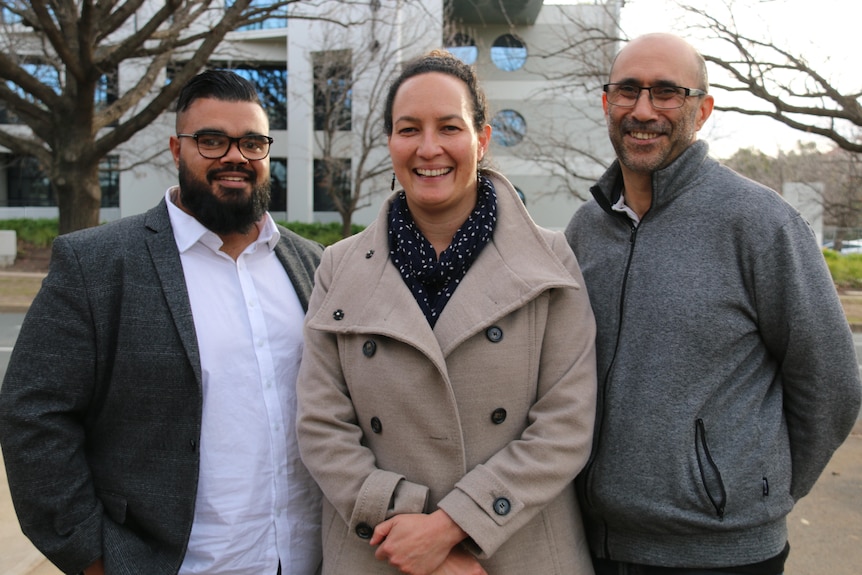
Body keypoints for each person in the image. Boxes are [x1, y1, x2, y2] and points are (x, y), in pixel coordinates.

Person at [0, 70, 324, 575]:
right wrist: (96, 559)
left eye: (252, 143)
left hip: (307, 559)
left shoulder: (313, 265)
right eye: (211, 141)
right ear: (177, 149)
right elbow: (31, 418)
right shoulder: (97, 265)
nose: (235, 157)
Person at [566, 33, 862, 575]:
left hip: (724, 556)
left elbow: (831, 383)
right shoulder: (586, 229)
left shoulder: (759, 223)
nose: (643, 109)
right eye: (627, 90)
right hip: (594, 546)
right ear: (607, 103)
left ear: (702, 110)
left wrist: (756, 491)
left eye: (667, 92)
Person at [295, 50, 598, 575]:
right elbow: (322, 427)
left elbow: (565, 425)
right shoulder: (338, 267)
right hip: (381, 552)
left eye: (449, 127)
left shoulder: (550, 260)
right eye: (408, 129)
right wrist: (418, 540)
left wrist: (452, 529)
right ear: (390, 141)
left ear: (481, 140)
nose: (428, 148)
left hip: (517, 550)